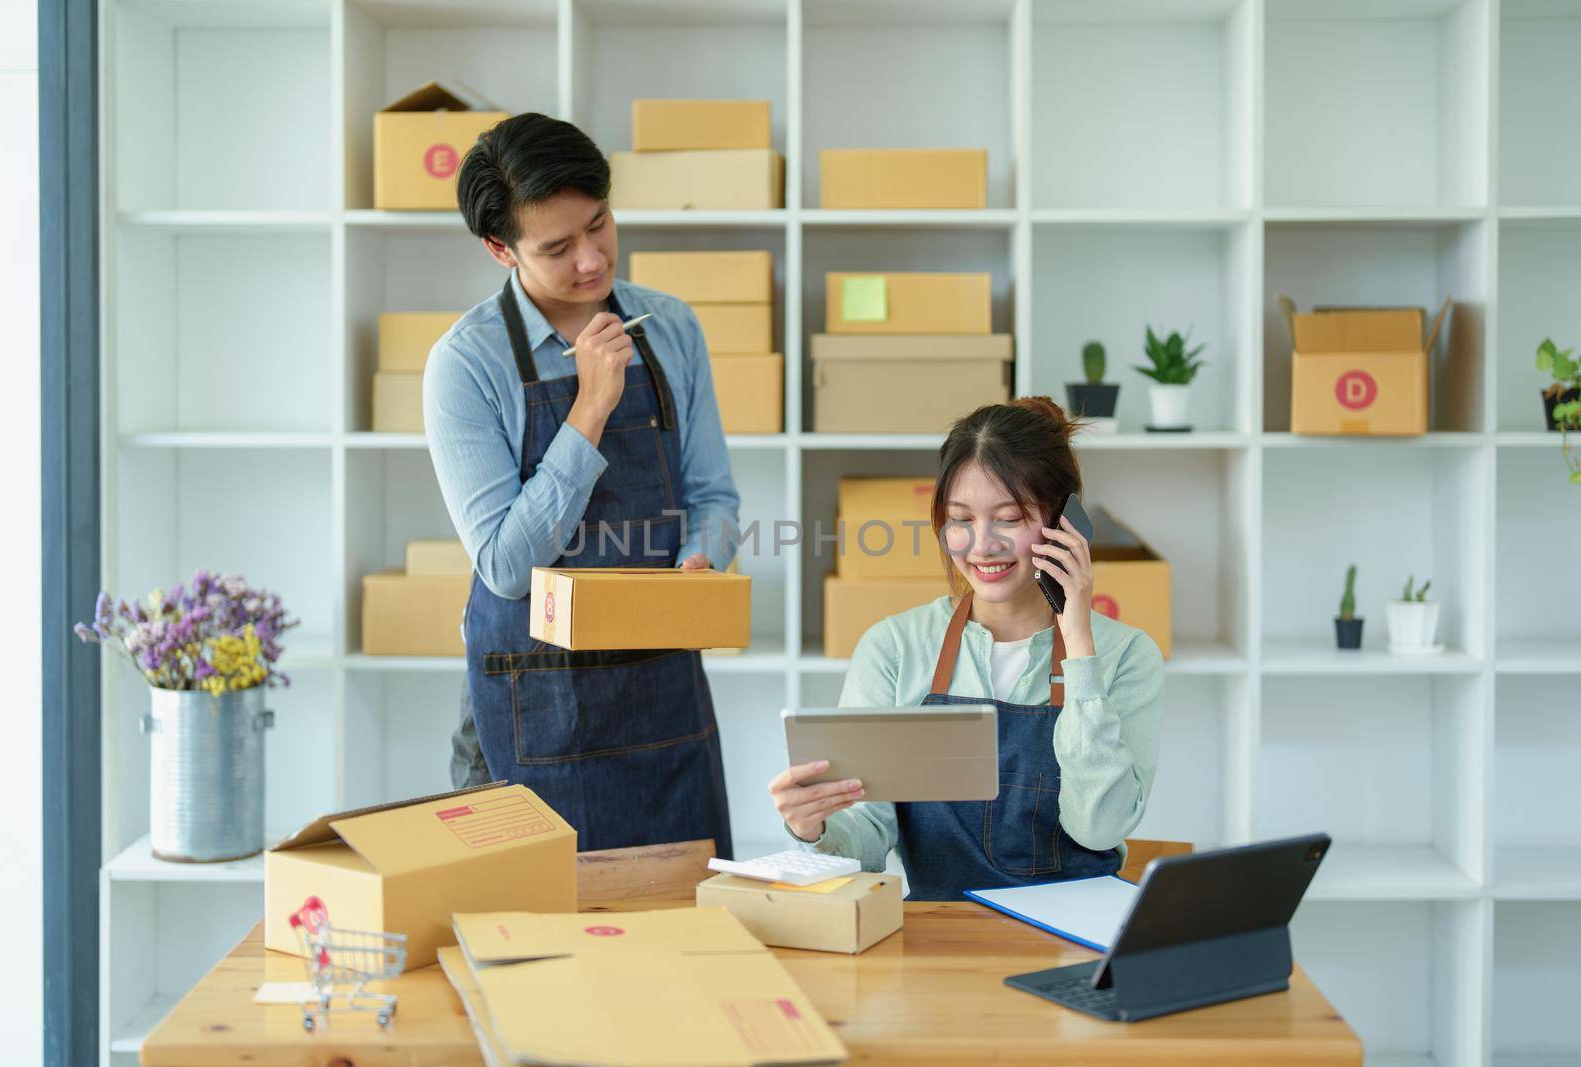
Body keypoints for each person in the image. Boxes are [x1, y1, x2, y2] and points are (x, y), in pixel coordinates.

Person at [423, 113, 739, 857]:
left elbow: (714, 495)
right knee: (539, 945)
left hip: (662, 687)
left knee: (684, 931)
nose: (593, 261)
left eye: (600, 225)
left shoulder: (672, 328)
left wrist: (703, 561)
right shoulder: (464, 366)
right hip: (535, 703)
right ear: (501, 249)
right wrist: (590, 407)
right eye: (558, 248)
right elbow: (503, 565)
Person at [767, 397, 1163, 900]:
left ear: (1066, 524)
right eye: (961, 519)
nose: (982, 546)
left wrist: (1079, 643)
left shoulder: (1128, 655)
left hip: (1076, 937)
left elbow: (1099, 829)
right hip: (942, 935)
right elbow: (867, 839)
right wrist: (814, 830)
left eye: (1010, 518)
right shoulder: (894, 648)